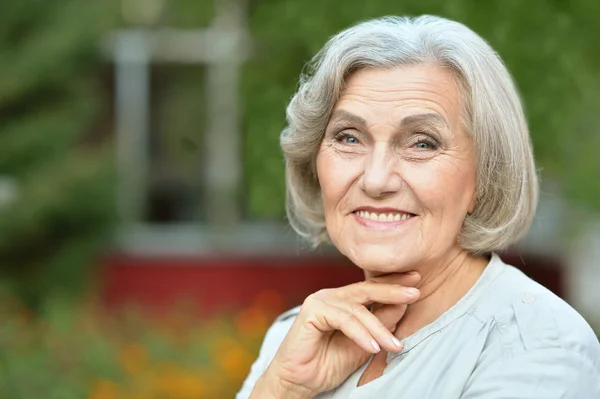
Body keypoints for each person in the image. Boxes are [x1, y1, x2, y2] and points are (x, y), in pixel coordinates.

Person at [236, 15, 600, 398]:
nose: (376, 180)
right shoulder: (295, 338)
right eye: (349, 137)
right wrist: (282, 388)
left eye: (422, 143)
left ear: (485, 174)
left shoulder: (537, 345)